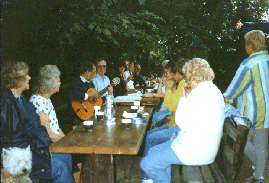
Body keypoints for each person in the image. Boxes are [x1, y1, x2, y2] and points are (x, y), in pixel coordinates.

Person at [140, 58, 225, 183]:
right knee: (153, 150)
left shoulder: (199, 93)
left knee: (147, 163)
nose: (186, 80)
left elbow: (182, 123)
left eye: (188, 77)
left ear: (193, 76)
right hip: (203, 146)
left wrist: (184, 98)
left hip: (195, 151)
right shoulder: (213, 90)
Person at [1, 61, 75, 183]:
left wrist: (45, 148)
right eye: (26, 75)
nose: (29, 77)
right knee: (59, 167)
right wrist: (2, 167)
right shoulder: (6, 103)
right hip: (18, 158)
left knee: (65, 156)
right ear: (17, 80)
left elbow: (39, 128)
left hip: (31, 151)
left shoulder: (23, 100)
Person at [223, 30, 269, 183]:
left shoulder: (249, 64)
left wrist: (224, 98)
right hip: (267, 111)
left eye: (245, 44)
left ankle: (261, 166)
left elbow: (232, 91)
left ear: (250, 46)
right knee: (261, 143)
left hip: (252, 112)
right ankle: (260, 175)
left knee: (241, 142)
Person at [29, 65, 82, 183]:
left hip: (51, 146)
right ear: (50, 85)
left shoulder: (46, 100)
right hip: (43, 150)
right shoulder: (38, 102)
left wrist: (66, 141)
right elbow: (48, 133)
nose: (60, 83)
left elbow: (56, 127)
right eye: (58, 81)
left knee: (69, 155)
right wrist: (66, 143)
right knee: (62, 164)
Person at [141, 59, 187, 180]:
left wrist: (167, 89)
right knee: (150, 133)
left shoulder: (183, 84)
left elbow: (172, 106)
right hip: (176, 124)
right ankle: (150, 174)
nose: (169, 75)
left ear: (177, 73)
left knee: (150, 137)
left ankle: (147, 176)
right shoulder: (182, 83)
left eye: (171, 73)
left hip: (178, 127)